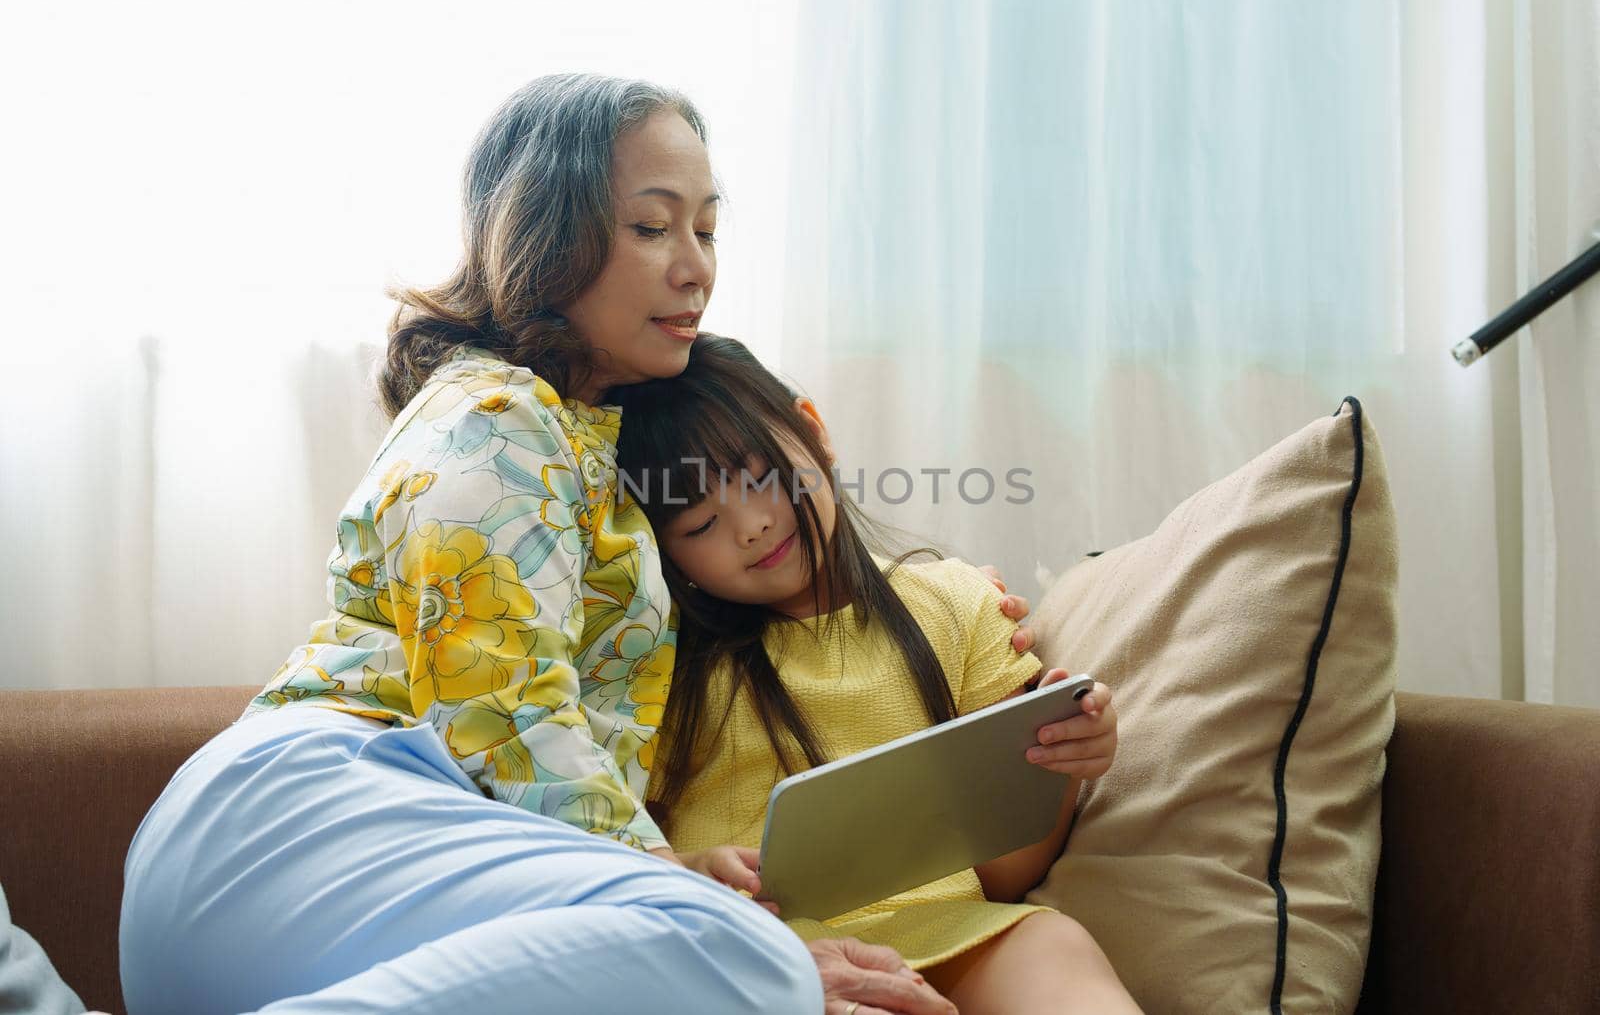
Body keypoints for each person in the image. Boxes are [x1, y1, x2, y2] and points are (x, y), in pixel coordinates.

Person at [118, 73, 1044, 1015]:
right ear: (548, 240)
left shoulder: (598, 447)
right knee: (753, 957)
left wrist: (938, 604)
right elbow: (502, 722)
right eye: (653, 228)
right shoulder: (494, 417)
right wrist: (690, 904)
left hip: (358, 872)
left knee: (731, 955)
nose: (696, 268)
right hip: (308, 828)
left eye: (707, 229)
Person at [610, 335, 1144, 1015]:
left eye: (761, 477)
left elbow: (1007, 875)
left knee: (1054, 946)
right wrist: (688, 872)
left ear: (814, 431)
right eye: (701, 522)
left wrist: (1064, 757)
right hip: (767, 954)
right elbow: (606, 838)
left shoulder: (957, 604)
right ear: (665, 552)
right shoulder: (662, 665)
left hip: (960, 933)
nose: (750, 525)